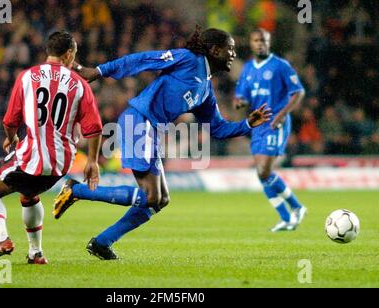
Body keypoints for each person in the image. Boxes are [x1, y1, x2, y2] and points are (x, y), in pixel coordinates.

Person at [53, 26, 272, 260]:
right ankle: (76, 190)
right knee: (150, 196)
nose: (233, 54)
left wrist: (247, 125)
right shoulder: (189, 59)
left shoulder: (205, 89)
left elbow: (217, 127)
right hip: (139, 121)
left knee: (160, 200)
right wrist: (98, 71)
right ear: (215, 50)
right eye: (230, 49)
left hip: (151, 129)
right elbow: (143, 59)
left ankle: (102, 242)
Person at [0, 32, 103, 267]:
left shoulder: (27, 77)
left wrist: (10, 138)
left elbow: (10, 119)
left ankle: (1, 239)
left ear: (48, 51)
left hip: (31, 156)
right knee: (29, 194)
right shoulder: (80, 84)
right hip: (60, 163)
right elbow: (94, 128)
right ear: (69, 54)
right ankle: (36, 253)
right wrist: (93, 161)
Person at [233, 28, 307, 232]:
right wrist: (240, 101)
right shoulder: (247, 68)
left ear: (269, 42)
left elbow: (298, 93)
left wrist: (282, 115)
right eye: (256, 40)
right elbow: (242, 95)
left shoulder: (280, 66)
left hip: (276, 122)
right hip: (258, 124)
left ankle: (297, 208)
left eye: (264, 40)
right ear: (251, 43)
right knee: (261, 174)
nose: (260, 43)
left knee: (264, 170)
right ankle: (289, 214)